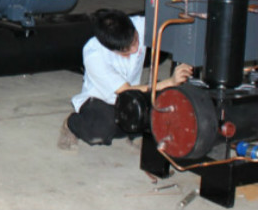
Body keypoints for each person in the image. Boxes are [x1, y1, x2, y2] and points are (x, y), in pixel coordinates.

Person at [57, 8, 193, 150]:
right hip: (102, 100)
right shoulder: (94, 56)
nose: (134, 49)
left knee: (164, 104)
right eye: (126, 50)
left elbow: (173, 25)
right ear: (111, 48)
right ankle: (71, 124)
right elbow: (125, 90)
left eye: (135, 40)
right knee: (101, 131)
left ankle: (135, 129)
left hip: (133, 95)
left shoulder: (141, 24)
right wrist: (170, 82)